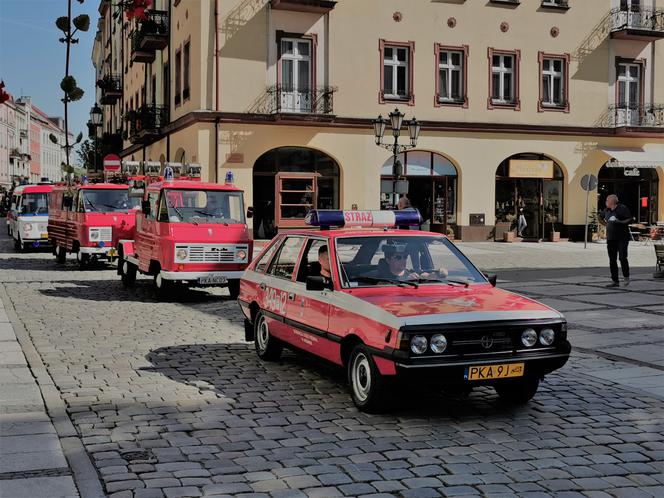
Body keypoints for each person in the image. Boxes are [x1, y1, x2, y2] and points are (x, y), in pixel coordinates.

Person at [600, 194, 633, 287]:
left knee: (622, 258)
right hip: (611, 238)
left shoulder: (622, 208)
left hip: (622, 238)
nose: (606, 202)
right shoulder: (606, 210)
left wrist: (620, 222)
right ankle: (615, 281)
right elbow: (600, 217)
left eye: (607, 200)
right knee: (612, 260)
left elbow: (630, 219)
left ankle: (626, 277)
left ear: (612, 201)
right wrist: (605, 224)